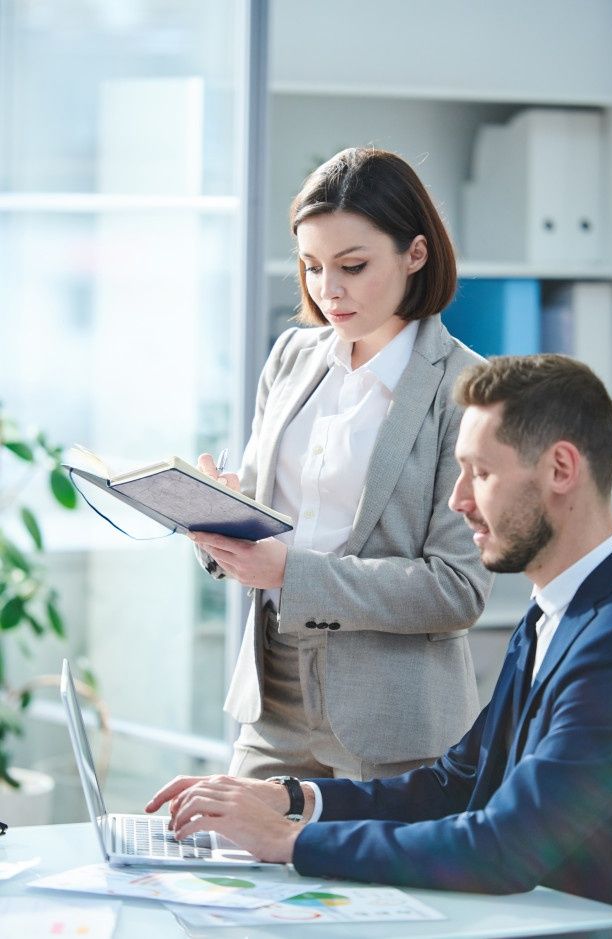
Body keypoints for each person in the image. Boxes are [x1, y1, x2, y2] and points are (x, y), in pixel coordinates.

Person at [147, 354, 612, 908]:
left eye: (483, 473)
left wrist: (290, 841)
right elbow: (456, 784)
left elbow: (506, 845)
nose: (457, 500)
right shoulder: (553, 615)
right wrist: (289, 797)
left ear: (562, 470)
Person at [191, 146, 492, 781]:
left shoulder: (466, 390)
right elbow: (265, 515)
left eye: (353, 266)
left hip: (391, 721)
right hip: (271, 696)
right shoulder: (292, 358)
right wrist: (218, 512)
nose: (330, 290)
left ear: (416, 253)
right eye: (312, 267)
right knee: (235, 871)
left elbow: (456, 589)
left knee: (376, 883)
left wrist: (293, 574)